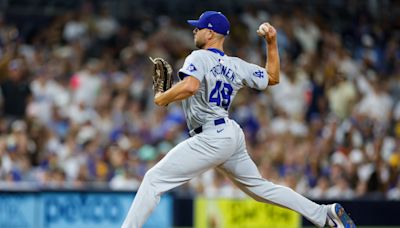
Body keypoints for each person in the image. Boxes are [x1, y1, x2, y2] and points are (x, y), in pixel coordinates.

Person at [122, 11, 356, 228]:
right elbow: (272, 77)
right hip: (229, 135)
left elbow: (191, 86)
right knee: (261, 188)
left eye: (198, 28)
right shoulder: (237, 65)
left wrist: (163, 97)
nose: (194, 31)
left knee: (153, 179)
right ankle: (324, 213)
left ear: (210, 33)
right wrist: (271, 42)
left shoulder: (198, 56)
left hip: (211, 137)